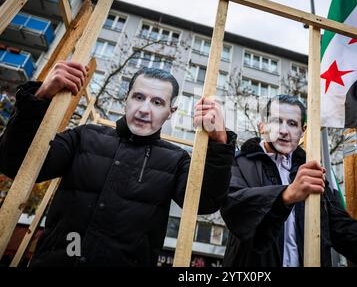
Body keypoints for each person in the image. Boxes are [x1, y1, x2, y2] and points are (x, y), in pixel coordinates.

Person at [0, 61, 236, 266]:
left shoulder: (176, 160)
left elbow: (205, 202)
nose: (144, 109)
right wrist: (39, 97)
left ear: (170, 112)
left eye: (157, 102)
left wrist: (219, 144)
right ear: (126, 100)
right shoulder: (84, 137)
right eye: (138, 97)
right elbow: (15, 164)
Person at [220, 95, 357, 267]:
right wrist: (286, 196)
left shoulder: (314, 175)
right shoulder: (238, 161)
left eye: (293, 124)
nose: (285, 131)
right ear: (262, 127)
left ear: (302, 132)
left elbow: (345, 234)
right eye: (277, 121)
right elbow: (234, 207)